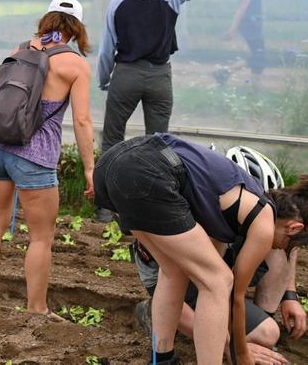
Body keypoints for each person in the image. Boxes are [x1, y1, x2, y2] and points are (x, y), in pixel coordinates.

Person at [94, 133, 308, 365]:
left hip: (113, 164)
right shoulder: (263, 219)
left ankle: (162, 359)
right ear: (294, 228)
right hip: (149, 171)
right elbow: (235, 297)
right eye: (288, 246)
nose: (278, 249)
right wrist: (242, 353)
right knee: (218, 281)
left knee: (173, 270)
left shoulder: (231, 197)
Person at [0, 0, 96, 314]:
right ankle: (37, 308)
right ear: (76, 28)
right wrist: (90, 168)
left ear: (47, 20)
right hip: (35, 157)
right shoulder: (74, 65)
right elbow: (82, 120)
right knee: (41, 237)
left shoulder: (19, 51)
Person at [96, 0, 210, 221]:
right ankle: (154, 206)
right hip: (160, 78)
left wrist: (104, 79)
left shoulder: (117, 6)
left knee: (112, 139)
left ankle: (107, 208)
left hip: (126, 76)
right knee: (158, 144)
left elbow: (107, 50)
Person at [226, 0, 268, 87]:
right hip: (249, 24)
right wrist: (234, 28)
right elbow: (242, 6)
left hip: (253, 23)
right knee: (259, 57)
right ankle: (225, 72)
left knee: (258, 57)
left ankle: (225, 73)